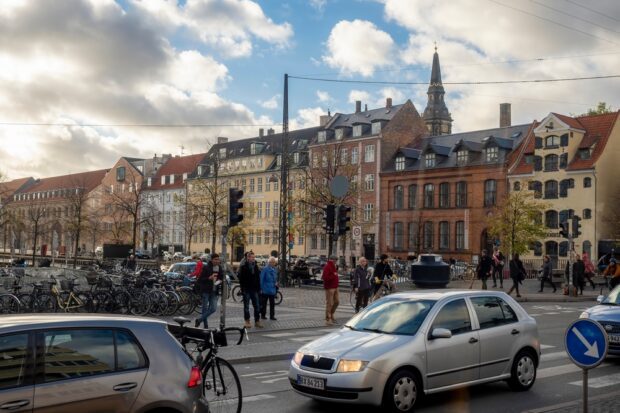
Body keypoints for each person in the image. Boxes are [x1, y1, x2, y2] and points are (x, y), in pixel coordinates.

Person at [194, 254, 221, 328]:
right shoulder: (206, 267)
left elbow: (221, 277)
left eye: (218, 259)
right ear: (211, 260)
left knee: (213, 308)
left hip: (214, 291)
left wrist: (219, 281)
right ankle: (206, 326)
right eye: (215, 259)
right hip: (206, 290)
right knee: (204, 309)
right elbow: (200, 280)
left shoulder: (219, 268)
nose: (217, 261)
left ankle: (199, 320)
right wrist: (209, 278)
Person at [239, 252, 263, 329]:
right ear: (248, 258)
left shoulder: (255, 266)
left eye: (254, 257)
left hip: (254, 289)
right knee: (246, 306)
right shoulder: (243, 267)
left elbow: (258, 278)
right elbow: (241, 279)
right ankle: (247, 321)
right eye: (252, 257)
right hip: (246, 289)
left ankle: (257, 321)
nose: (253, 258)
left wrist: (259, 289)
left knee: (257, 306)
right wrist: (243, 289)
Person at [260, 256, 278, 321]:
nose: (274, 263)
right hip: (265, 289)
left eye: (274, 262)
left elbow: (275, 278)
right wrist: (261, 288)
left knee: (272, 304)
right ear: (269, 262)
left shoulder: (275, 269)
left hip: (272, 289)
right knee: (264, 304)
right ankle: (263, 315)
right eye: (272, 262)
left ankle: (272, 316)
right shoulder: (265, 269)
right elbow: (261, 279)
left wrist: (276, 282)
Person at [322, 255, 339, 326]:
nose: (336, 261)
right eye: (335, 260)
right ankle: (328, 319)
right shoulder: (327, 266)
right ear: (332, 260)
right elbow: (325, 277)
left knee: (337, 302)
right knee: (330, 303)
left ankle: (331, 314)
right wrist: (334, 275)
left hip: (336, 287)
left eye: (336, 260)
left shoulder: (334, 266)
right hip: (329, 288)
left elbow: (334, 275)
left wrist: (335, 276)